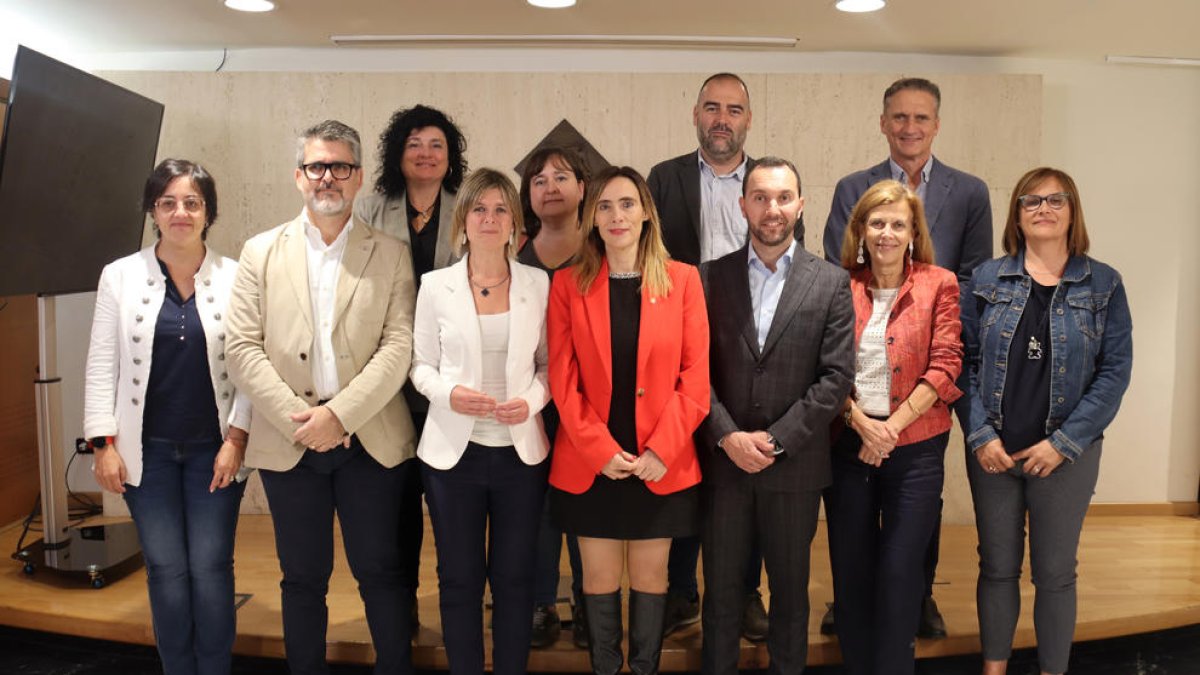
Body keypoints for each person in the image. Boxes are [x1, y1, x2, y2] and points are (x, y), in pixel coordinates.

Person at [225, 120, 418, 675]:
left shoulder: (392, 253)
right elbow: (241, 347)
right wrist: (302, 422)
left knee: (381, 572)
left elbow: (399, 345)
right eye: (316, 166)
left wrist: (339, 416)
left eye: (339, 167)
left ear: (358, 178)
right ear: (299, 177)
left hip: (370, 439)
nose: (327, 177)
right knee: (302, 577)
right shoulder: (259, 251)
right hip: (291, 443)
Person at [821, 76, 992, 638]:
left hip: (932, 362)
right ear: (883, 123)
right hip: (860, 383)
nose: (909, 127)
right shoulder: (854, 186)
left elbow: (971, 279)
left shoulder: (969, 191)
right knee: (854, 526)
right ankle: (855, 600)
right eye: (899, 117)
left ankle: (918, 596)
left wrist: (934, 345)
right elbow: (835, 276)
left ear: (936, 124)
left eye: (920, 118)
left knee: (918, 507)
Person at [83, 158, 251, 675]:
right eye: (168, 202)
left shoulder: (237, 276)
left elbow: (250, 364)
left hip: (214, 451)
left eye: (192, 203)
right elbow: (101, 363)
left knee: (210, 567)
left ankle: (214, 667)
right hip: (146, 452)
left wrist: (238, 439)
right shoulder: (119, 275)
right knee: (166, 569)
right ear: (153, 211)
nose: (180, 212)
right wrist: (102, 443)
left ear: (208, 212)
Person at [965, 167, 1132, 675]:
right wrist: (979, 434)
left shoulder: (1103, 283)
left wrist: (1062, 442)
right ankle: (993, 670)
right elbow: (964, 365)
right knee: (996, 569)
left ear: (1072, 210)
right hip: (994, 452)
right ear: (1016, 214)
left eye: (1055, 200)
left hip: (1065, 457)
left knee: (1055, 574)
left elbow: (1115, 373)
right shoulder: (987, 279)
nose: (1044, 209)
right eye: (1031, 201)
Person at [548, 166, 710, 675]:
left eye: (626, 204)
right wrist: (599, 451)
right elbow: (562, 379)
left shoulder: (683, 280)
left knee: (651, 576)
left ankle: (643, 668)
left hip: (659, 461)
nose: (616, 216)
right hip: (590, 460)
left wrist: (662, 449)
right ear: (591, 218)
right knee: (596, 580)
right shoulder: (567, 284)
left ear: (645, 212)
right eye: (604, 206)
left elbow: (696, 377)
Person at [698, 157, 854, 675]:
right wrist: (728, 437)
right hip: (724, 467)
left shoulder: (830, 283)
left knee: (790, 597)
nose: (772, 208)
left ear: (801, 205)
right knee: (720, 596)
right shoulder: (708, 279)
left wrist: (776, 440)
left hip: (795, 469)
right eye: (761, 197)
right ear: (743, 205)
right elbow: (693, 372)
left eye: (784, 197)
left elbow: (835, 378)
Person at [411, 168, 551, 675]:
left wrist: (532, 401)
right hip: (453, 457)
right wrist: (450, 393)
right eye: (479, 209)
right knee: (460, 578)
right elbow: (419, 367)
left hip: (520, 455)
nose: (489, 219)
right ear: (462, 220)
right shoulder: (435, 286)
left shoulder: (538, 284)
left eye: (500, 210)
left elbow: (549, 366)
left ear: (515, 222)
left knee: (515, 578)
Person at [647, 71, 768, 641]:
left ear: (748, 118)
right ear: (695, 114)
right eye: (712, 107)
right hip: (680, 344)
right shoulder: (663, 179)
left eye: (734, 109)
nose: (723, 118)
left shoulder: (769, 181)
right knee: (683, 467)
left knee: (744, 477)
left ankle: (745, 593)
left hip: (752, 345)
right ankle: (680, 591)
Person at [825, 180, 963, 675]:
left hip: (917, 449)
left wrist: (890, 431)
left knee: (902, 572)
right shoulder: (836, 284)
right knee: (852, 572)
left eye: (897, 224)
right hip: (849, 444)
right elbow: (823, 368)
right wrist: (863, 424)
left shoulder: (939, 283)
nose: (886, 232)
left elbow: (946, 365)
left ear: (913, 232)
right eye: (877, 222)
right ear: (861, 229)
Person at [355, 104, 468, 622]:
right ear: (398, 154)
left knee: (451, 513)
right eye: (415, 144)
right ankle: (401, 613)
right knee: (395, 511)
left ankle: (456, 609)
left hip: (451, 380)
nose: (426, 154)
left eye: (436, 145)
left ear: (451, 158)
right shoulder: (372, 210)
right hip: (387, 379)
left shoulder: (469, 207)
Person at [517, 146, 590, 649]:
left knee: (586, 506)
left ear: (583, 188)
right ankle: (541, 601)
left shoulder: (603, 247)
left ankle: (592, 603)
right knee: (536, 507)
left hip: (590, 402)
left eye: (561, 176)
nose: (549, 186)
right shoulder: (513, 250)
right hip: (529, 402)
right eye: (539, 179)